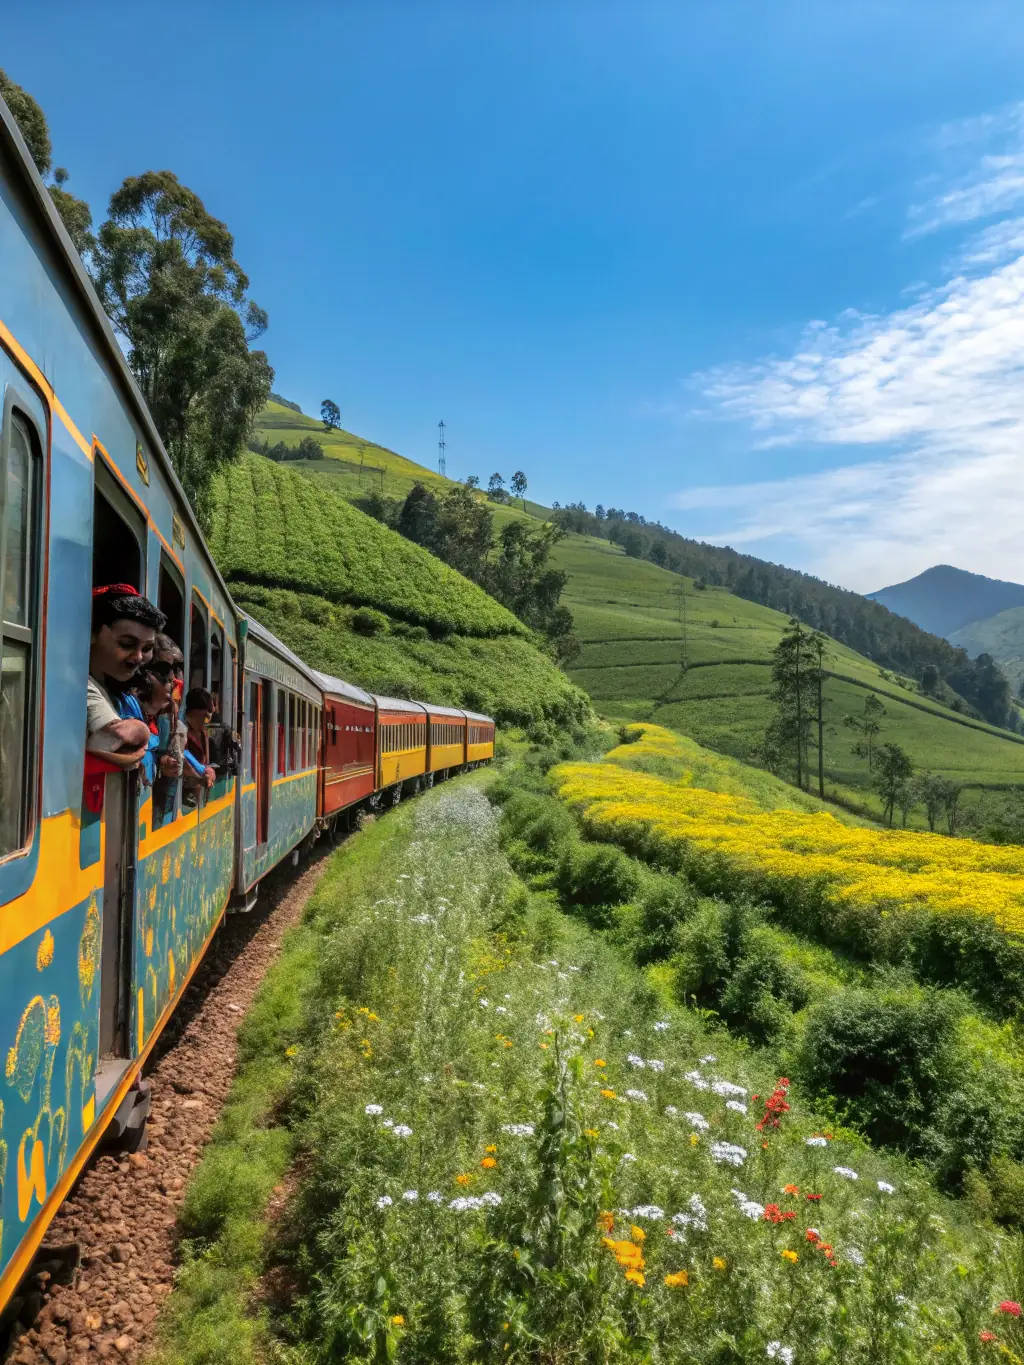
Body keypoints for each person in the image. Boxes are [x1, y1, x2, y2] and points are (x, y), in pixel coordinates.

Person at [87, 584, 165, 770]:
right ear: (92, 633)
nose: (138, 657)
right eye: (127, 644)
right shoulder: (81, 686)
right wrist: (142, 730)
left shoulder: (119, 692)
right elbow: (118, 740)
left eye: (147, 649)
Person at [182, 687, 216, 807]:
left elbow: (205, 763)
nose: (206, 722)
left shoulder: (203, 732)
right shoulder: (181, 730)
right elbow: (182, 761)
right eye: (206, 717)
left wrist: (209, 772)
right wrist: (201, 777)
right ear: (196, 712)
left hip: (196, 797)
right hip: (182, 798)